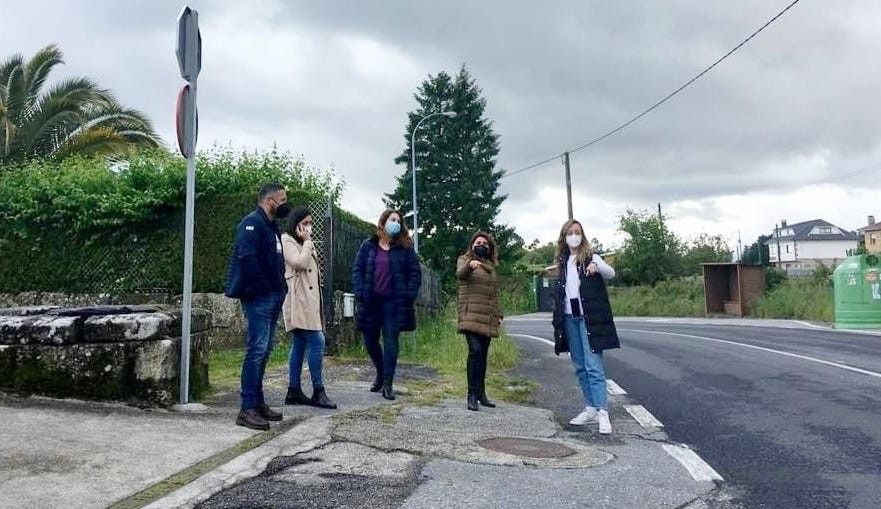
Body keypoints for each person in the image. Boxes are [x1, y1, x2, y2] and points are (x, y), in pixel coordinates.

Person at [224, 183, 290, 431]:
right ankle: (247, 407)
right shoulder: (251, 223)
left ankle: (258, 402)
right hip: (259, 297)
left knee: (265, 349)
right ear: (270, 200)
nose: (285, 203)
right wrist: (264, 288)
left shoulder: (270, 226)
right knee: (257, 349)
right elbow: (246, 257)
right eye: (282, 199)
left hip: (272, 296)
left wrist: (279, 288)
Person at [551, 218, 620, 435]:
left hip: (588, 319)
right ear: (564, 236)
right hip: (570, 319)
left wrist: (596, 265)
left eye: (577, 232)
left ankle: (602, 412)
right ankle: (590, 407)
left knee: (593, 366)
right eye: (570, 232)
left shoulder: (592, 257)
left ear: (582, 235)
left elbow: (611, 273)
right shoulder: (563, 262)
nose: (574, 235)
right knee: (580, 365)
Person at [351, 209, 421, 400]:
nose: (395, 223)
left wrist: (409, 295)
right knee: (369, 339)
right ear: (383, 222)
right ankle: (381, 373)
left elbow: (415, 273)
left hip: (394, 302)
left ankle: (388, 384)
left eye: (398, 221)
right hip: (371, 300)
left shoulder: (405, 247)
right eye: (392, 219)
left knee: (391, 340)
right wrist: (360, 292)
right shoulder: (369, 246)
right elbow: (358, 269)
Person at [281, 207, 337, 410]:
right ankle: (318, 391)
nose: (308, 227)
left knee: (299, 344)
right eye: (304, 223)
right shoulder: (287, 240)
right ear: (295, 224)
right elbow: (299, 263)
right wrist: (307, 242)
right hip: (299, 302)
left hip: (309, 302)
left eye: (310, 223)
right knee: (317, 340)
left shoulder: (302, 243)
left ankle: (294, 391)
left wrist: (306, 242)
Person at [456, 231, 502, 411]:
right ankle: (471, 395)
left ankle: (481, 394)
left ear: (489, 248)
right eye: (478, 242)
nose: (481, 245)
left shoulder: (490, 266)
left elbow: (494, 294)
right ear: (472, 244)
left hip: (487, 316)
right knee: (474, 351)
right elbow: (460, 274)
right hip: (470, 315)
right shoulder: (464, 260)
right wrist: (470, 266)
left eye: (484, 243)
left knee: (482, 355)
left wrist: (499, 314)